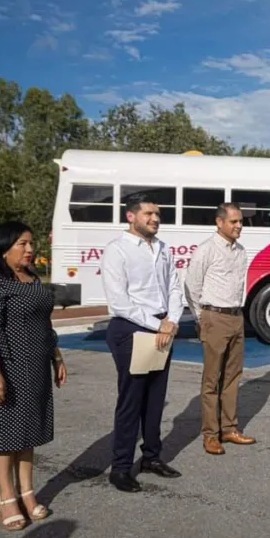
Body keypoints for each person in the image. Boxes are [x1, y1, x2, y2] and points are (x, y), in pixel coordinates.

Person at [0, 221, 67, 531]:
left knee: (29, 432)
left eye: (31, 243)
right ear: (4, 247)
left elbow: (44, 322)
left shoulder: (32, 278)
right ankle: (6, 497)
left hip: (37, 364)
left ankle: (27, 492)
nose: (30, 249)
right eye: (23, 244)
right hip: (9, 366)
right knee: (5, 434)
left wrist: (56, 356)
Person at [100, 193, 183, 492]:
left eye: (158, 214)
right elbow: (120, 302)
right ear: (131, 216)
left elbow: (174, 287)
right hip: (131, 329)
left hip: (162, 327)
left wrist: (171, 322)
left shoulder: (162, 248)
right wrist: (158, 324)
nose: (155, 219)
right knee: (131, 401)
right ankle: (121, 467)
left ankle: (152, 456)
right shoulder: (117, 250)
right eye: (149, 213)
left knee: (155, 399)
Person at [184, 202, 257, 455]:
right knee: (212, 380)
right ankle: (210, 435)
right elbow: (191, 286)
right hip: (214, 317)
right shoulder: (206, 250)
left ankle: (229, 428)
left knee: (233, 378)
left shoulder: (240, 251)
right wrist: (200, 317)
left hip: (236, 317)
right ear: (219, 222)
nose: (239, 226)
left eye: (240, 221)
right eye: (234, 221)